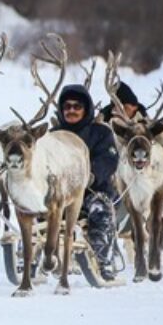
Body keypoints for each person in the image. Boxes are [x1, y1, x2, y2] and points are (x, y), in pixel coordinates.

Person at [52, 83, 120, 281]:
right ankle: (32, 255)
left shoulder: (101, 133)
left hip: (92, 191)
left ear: (86, 108)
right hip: (59, 194)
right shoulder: (53, 135)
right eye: (67, 106)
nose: (71, 110)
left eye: (77, 106)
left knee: (99, 209)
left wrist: (91, 175)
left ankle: (104, 259)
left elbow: (109, 159)